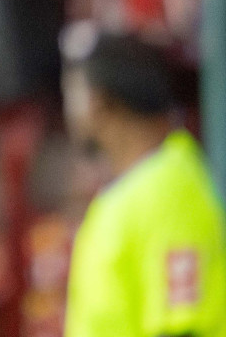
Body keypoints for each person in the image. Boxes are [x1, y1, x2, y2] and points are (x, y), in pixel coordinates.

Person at [62, 29, 226, 337]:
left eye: (73, 92)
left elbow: (184, 328)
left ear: (99, 101)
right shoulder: (137, 187)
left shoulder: (169, 189)